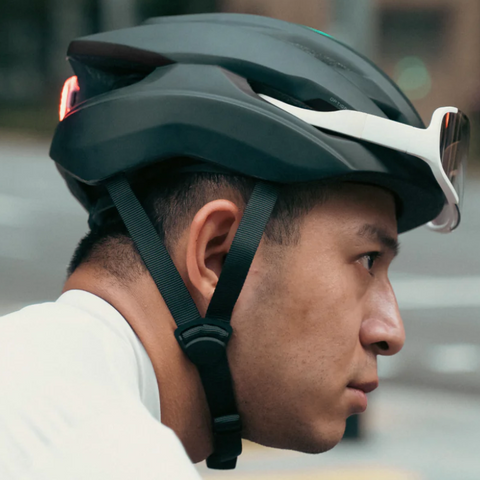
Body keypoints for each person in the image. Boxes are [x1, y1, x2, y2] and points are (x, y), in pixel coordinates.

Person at [0, 12, 469, 480]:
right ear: (217, 255)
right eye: (367, 260)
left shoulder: (36, 388)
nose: (391, 332)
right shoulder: (111, 458)